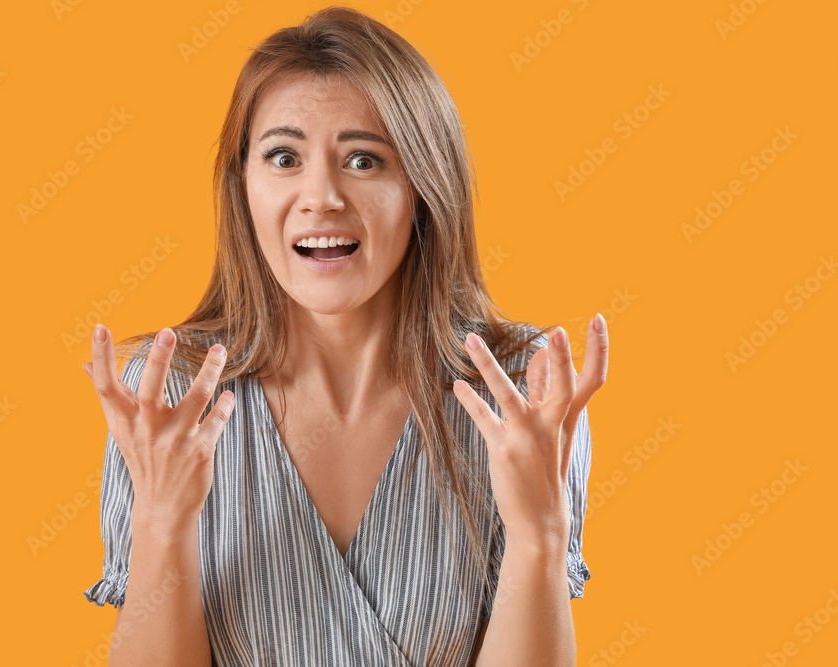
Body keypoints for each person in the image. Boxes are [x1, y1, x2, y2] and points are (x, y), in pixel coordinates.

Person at [81, 5, 608, 666]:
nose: (321, 195)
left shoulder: (521, 396)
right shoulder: (168, 398)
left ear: (422, 184)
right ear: (242, 185)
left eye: (363, 159)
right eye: (283, 157)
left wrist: (539, 534)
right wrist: (161, 523)